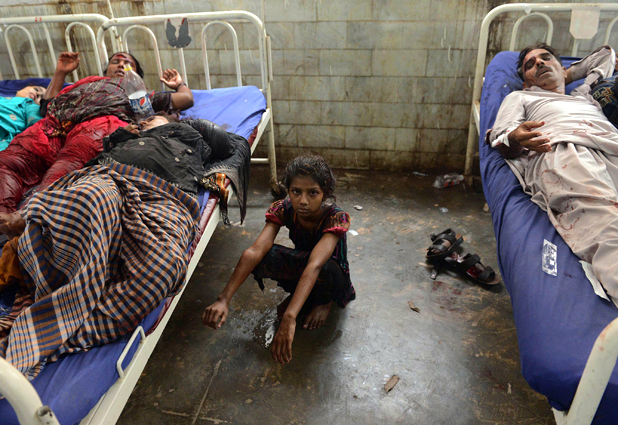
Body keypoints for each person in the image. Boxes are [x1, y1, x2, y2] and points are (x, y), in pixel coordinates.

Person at [488, 43, 618, 302]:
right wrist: (515, 138)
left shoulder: (584, 95)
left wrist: (565, 75)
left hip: (611, 144)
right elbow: (501, 136)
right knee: (606, 226)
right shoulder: (521, 97)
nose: (539, 63)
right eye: (530, 65)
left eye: (546, 58)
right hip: (565, 151)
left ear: (563, 68)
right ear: (525, 82)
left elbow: (605, 56)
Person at [202, 154, 356, 364]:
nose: (303, 201)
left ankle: (323, 302)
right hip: (305, 268)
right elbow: (255, 251)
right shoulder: (284, 208)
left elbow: (315, 264)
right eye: (296, 191)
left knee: (324, 268)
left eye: (313, 193)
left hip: (332, 276)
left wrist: (290, 317)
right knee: (263, 257)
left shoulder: (336, 217)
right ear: (288, 191)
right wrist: (223, 299)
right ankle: (303, 299)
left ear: (325, 194)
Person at [0, 51, 194, 216]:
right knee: (7, 163)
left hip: (97, 126)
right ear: (106, 69)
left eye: (128, 63)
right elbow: (47, 105)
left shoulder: (138, 92)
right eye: (115, 61)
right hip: (54, 125)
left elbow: (186, 99)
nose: (121, 64)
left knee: (64, 170)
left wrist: (179, 84)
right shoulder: (85, 83)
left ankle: (28, 220)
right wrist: (61, 72)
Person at [0, 85, 46, 151]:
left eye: (41, 98)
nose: (37, 94)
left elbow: (37, 125)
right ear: (20, 89)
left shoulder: (30, 105)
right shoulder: (2, 99)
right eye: (36, 89)